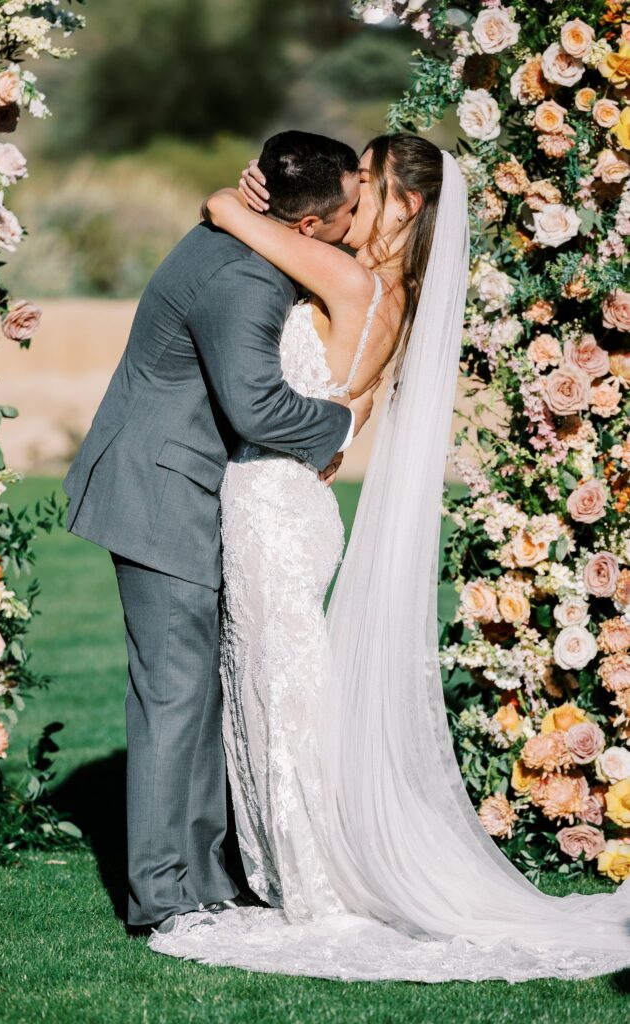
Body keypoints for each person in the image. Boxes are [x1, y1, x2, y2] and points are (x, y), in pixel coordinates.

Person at [147, 132, 630, 982]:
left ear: (403, 206)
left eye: (365, 182)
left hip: (273, 504)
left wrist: (233, 198)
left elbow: (228, 211)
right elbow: (350, 411)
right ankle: (289, 866)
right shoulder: (387, 290)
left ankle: (313, 881)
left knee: (283, 691)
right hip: (288, 502)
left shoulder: (353, 279)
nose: (353, 193)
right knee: (276, 685)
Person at [61, 130, 379, 932]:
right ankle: (164, 895)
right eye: (346, 213)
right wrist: (344, 424)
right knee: (173, 693)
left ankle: (202, 874)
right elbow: (258, 408)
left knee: (194, 686)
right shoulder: (246, 274)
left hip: (176, 480)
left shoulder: (240, 229)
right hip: (161, 488)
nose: (354, 223)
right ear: (308, 227)